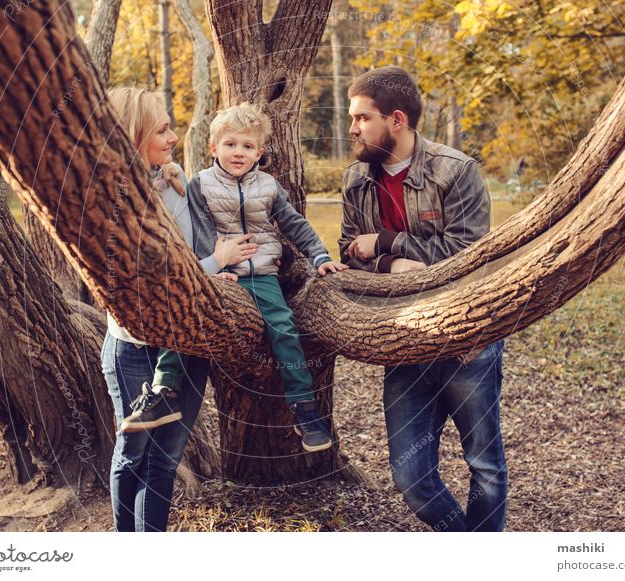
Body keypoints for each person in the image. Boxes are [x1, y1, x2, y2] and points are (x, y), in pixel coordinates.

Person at [339, 66, 507, 531]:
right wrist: (397, 266)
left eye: (361, 118)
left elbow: (466, 255)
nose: (352, 128)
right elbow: (349, 257)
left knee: (484, 464)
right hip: (404, 340)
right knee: (411, 476)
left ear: (396, 119)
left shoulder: (456, 171)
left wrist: (389, 243)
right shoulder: (355, 179)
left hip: (466, 337)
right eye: (352, 118)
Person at [140, 102, 348, 453]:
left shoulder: (267, 186)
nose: (239, 152)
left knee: (283, 328)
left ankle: (305, 409)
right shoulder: (201, 184)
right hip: (219, 273)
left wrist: (321, 257)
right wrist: (215, 269)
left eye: (248, 146)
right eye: (231, 144)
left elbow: (294, 224)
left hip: (262, 274)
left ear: (259, 153)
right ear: (214, 147)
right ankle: (164, 388)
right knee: (186, 310)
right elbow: (202, 231)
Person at [100, 87, 257, 531]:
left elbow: (187, 255)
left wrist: (213, 273)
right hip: (134, 347)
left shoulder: (171, 181)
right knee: (133, 454)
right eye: (162, 129)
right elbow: (150, 278)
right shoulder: (113, 202)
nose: (173, 137)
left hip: (187, 341)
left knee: (165, 459)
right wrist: (217, 262)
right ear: (134, 136)